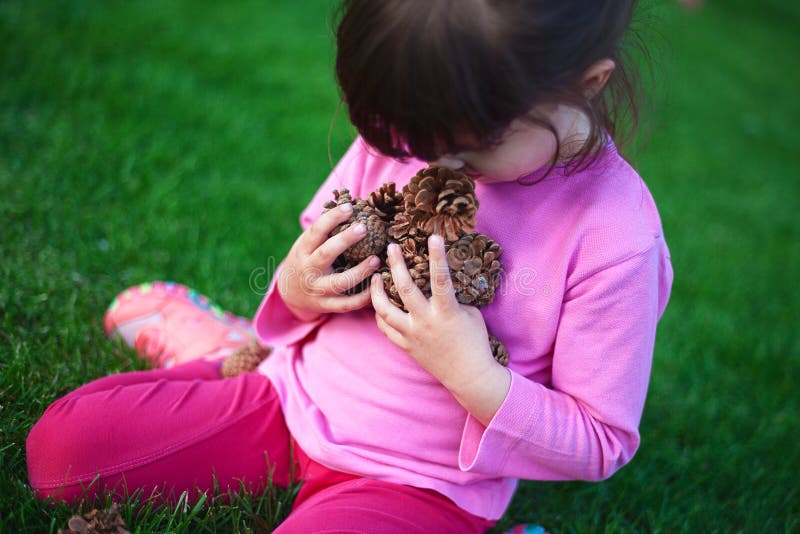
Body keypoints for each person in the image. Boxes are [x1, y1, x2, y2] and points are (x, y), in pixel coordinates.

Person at [26, 1, 673, 532]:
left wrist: (471, 372)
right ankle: (236, 350)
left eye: (471, 152)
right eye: (411, 146)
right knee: (58, 456)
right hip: (288, 399)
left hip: (422, 487)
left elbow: (600, 440)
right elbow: (317, 258)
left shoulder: (615, 238)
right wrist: (298, 286)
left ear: (588, 84)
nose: (435, 168)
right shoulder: (421, 113)